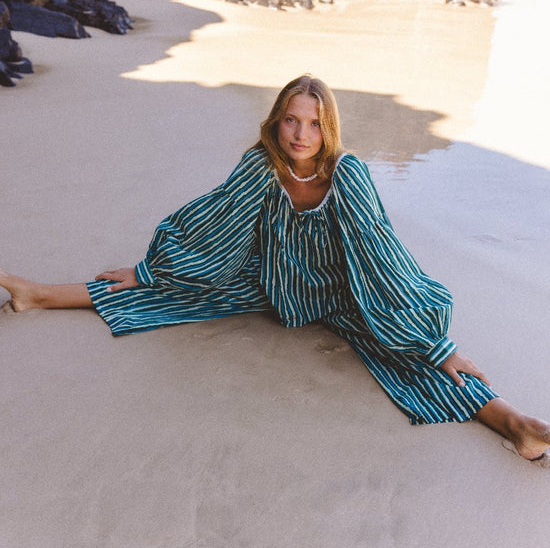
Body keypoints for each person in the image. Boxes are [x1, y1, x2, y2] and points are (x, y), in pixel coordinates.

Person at [1, 75, 549, 465]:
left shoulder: (348, 174)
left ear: (328, 127)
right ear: (277, 121)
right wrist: (148, 269)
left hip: (345, 292)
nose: (301, 133)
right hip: (272, 281)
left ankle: (516, 423)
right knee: (174, 290)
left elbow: (382, 259)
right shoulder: (261, 165)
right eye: (291, 118)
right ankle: (37, 295)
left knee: (409, 351)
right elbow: (210, 222)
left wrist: (435, 344)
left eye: (313, 122)